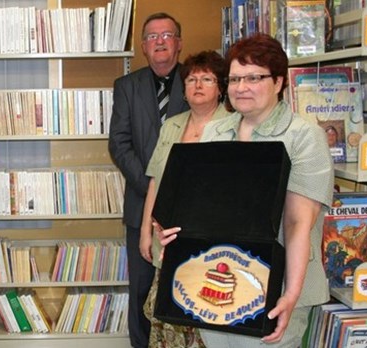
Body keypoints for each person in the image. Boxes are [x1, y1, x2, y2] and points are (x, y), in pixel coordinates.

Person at [155, 34, 334, 347]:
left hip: (275, 289)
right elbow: (201, 207)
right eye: (235, 78)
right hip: (214, 284)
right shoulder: (215, 131)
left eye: (254, 77)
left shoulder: (304, 137)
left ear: (279, 81)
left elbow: (297, 225)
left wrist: (290, 296)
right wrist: (174, 233)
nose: (241, 87)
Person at [108, 12, 190, 348]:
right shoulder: (126, 86)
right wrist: (151, 188)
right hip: (141, 204)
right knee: (141, 290)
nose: (159, 41)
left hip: (190, 207)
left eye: (166, 35)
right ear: (143, 47)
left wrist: (174, 192)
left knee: (185, 285)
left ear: (179, 43)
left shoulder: (199, 82)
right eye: (152, 36)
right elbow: (119, 143)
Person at [141, 50, 230, 348]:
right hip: (167, 240)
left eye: (207, 78)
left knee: (204, 322)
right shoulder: (172, 125)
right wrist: (145, 233)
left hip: (213, 244)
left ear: (221, 87)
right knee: (167, 320)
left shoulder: (234, 126)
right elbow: (155, 180)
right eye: (192, 79)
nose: (198, 85)